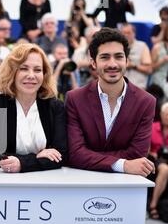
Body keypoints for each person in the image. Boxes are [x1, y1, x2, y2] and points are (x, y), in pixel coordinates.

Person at [66, 27, 156, 176]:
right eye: (105, 57)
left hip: (125, 189)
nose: (113, 64)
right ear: (93, 63)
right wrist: (123, 164)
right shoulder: (74, 99)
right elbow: (75, 153)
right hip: (83, 184)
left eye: (119, 57)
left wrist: (91, 157)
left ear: (127, 61)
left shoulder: (146, 102)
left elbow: (137, 154)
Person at [0, 43, 67, 173]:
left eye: (37, 70)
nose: (31, 75)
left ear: (44, 74)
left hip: (47, 183)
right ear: (12, 72)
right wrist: (35, 158)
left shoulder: (54, 106)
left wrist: (21, 163)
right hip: (5, 184)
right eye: (24, 68)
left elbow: (61, 155)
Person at [149, 102, 168, 219]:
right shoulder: (152, 127)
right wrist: (152, 154)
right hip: (156, 159)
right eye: (166, 114)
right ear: (161, 114)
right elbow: (146, 148)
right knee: (165, 169)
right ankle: (153, 205)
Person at [120, 23, 152, 90]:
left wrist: (133, 65)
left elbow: (149, 69)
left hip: (138, 88)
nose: (126, 35)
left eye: (128, 33)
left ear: (134, 33)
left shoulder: (142, 46)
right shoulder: (116, 47)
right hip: (119, 89)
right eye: (123, 33)